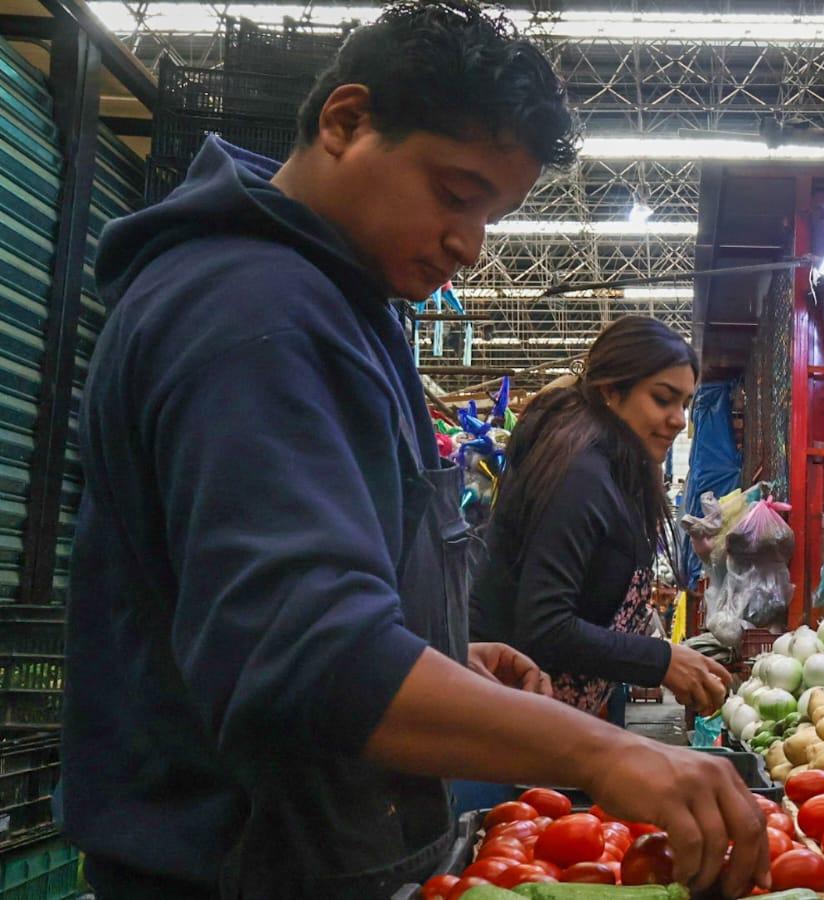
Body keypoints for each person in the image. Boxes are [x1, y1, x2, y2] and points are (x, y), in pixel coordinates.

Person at [60, 3, 767, 898]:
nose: (468, 246)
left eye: (492, 216)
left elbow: (263, 598)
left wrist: (438, 645)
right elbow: (304, 651)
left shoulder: (337, 306)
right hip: (242, 868)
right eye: (456, 193)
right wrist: (601, 749)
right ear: (345, 122)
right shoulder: (254, 316)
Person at [471, 317, 734, 719]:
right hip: (505, 723)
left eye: (685, 403)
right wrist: (660, 661)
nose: (680, 419)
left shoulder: (615, 469)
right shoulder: (580, 474)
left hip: (547, 722)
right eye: (663, 399)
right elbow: (545, 625)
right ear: (611, 391)